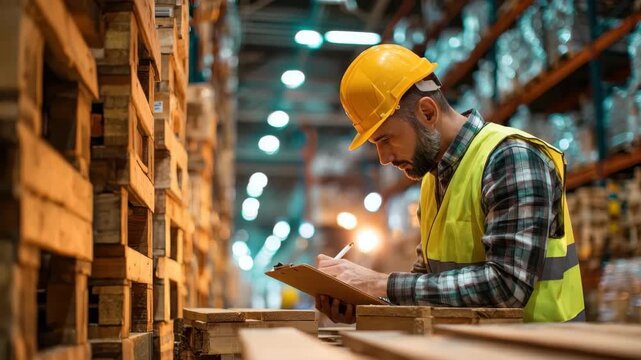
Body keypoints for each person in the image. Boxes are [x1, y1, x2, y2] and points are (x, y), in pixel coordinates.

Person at [315, 44, 584, 324]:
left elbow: (507, 286)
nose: (383, 158)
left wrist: (380, 283)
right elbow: (426, 287)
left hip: (544, 350)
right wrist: (366, 307)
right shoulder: (432, 183)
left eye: (386, 139)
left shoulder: (510, 158)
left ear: (427, 113)